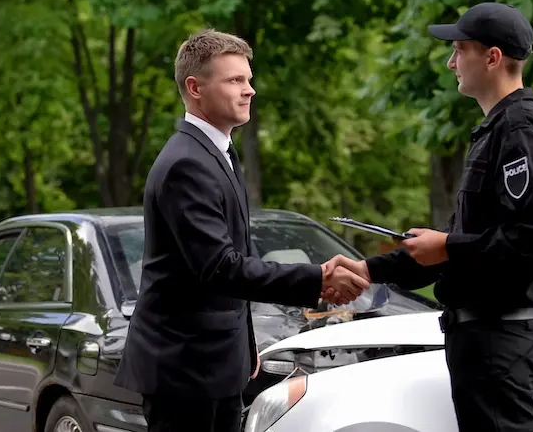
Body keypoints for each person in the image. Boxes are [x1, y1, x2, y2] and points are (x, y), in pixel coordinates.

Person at [324, 2, 533, 432]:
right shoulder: (500, 129)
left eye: (459, 50)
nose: (450, 62)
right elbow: (461, 247)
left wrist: (448, 246)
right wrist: (368, 269)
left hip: (499, 338)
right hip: (485, 340)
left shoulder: (520, 130)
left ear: (492, 58)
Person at [113, 28, 370, 432]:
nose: (250, 90)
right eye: (235, 80)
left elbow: (234, 263)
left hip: (217, 362)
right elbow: (221, 267)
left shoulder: (219, 153)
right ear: (195, 88)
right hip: (184, 370)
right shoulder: (186, 164)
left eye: (248, 79)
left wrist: (244, 343)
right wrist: (318, 278)